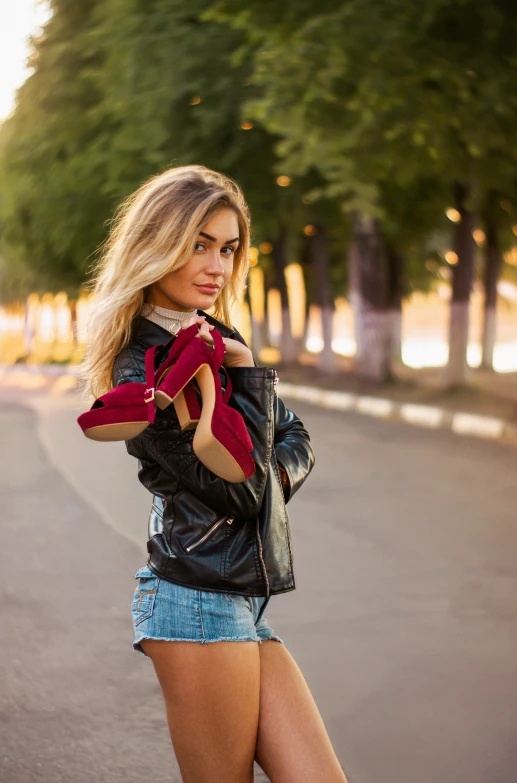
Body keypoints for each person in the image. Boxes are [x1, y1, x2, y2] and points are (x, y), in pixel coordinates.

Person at [79, 165, 348, 783]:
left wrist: (265, 473)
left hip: (240, 604)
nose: (217, 266)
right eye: (198, 244)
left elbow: (295, 439)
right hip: (195, 603)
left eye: (227, 248)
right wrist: (251, 377)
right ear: (157, 244)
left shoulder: (217, 337)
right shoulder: (142, 370)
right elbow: (245, 489)